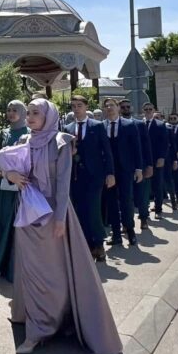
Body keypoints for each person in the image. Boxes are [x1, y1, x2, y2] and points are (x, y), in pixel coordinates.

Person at [0, 99, 123, 354]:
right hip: (28, 216)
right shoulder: (23, 143)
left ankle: (57, 321)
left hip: (54, 215)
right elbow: (3, 165)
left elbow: (64, 182)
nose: (30, 117)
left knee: (54, 275)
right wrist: (9, 175)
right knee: (31, 273)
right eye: (28, 113)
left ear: (49, 116)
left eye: (36, 113)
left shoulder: (61, 142)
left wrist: (60, 218)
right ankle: (35, 329)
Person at [65, 95, 114, 261]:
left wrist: (110, 173)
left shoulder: (98, 126)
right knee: (80, 210)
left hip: (95, 176)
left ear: (86, 107)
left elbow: (107, 151)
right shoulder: (68, 128)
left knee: (93, 209)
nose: (76, 109)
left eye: (79, 105)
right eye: (73, 106)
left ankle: (99, 243)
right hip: (76, 176)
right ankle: (86, 245)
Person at [0, 99, 28, 282]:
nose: (11, 112)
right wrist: (1, 170)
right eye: (8, 109)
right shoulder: (3, 132)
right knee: (2, 218)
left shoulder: (29, 133)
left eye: (15, 109)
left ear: (23, 112)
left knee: (13, 223)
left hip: (20, 184)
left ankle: (8, 264)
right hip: (3, 183)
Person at [102, 98, 143, 247]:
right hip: (109, 171)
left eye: (112, 105)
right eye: (106, 106)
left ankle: (130, 231)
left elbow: (136, 148)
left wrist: (139, 169)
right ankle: (116, 234)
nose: (109, 108)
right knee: (112, 202)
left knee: (126, 200)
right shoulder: (101, 126)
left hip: (125, 170)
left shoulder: (129, 125)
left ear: (118, 108)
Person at [120, 99, 153, 231]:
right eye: (123, 107)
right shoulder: (115, 124)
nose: (126, 109)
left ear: (132, 108)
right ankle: (126, 223)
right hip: (123, 167)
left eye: (128, 106)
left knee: (141, 194)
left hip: (140, 165)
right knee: (125, 197)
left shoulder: (139, 124)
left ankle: (144, 218)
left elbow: (146, 145)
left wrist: (149, 165)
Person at [142, 103, 173, 218]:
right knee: (144, 187)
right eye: (146, 109)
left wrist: (162, 157)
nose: (148, 111)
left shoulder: (160, 125)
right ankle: (144, 210)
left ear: (154, 110)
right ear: (143, 111)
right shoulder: (139, 124)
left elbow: (164, 143)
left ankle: (158, 209)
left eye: (150, 109)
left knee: (157, 185)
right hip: (143, 161)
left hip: (156, 160)